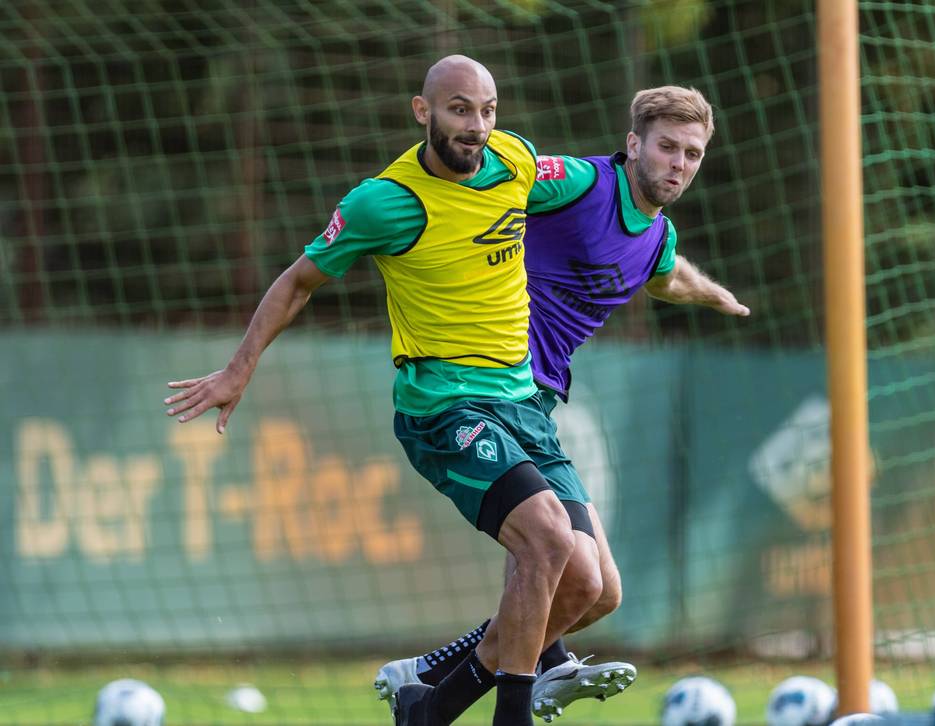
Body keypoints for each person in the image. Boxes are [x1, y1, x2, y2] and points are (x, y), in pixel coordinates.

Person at [163, 55, 602, 726]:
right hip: (443, 407)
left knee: (590, 586)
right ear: (422, 111)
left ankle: (430, 703)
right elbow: (297, 281)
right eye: (459, 109)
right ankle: (510, 716)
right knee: (546, 539)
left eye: (487, 110)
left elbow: (595, 181)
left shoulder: (515, 160)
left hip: (525, 407)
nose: (476, 126)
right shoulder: (385, 202)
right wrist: (237, 370)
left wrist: (647, 186)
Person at [373, 86, 748, 721]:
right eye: (666, 147)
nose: (678, 163)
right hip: (480, 385)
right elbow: (497, 173)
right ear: (634, 144)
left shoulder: (656, 236)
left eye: (692, 153)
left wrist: (717, 296)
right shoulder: (578, 181)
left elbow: (671, 276)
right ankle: (506, 687)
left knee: (597, 591)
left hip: (535, 408)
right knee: (551, 552)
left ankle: (432, 689)